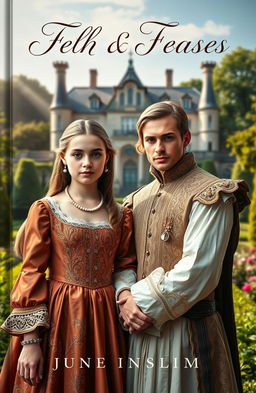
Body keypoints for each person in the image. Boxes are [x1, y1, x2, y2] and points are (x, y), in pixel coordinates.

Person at [114, 101, 250, 393]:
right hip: (140, 336)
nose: (158, 148)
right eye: (150, 140)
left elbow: (198, 271)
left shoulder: (212, 193)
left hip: (189, 336)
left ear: (185, 139)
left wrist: (137, 306)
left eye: (168, 137)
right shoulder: (136, 200)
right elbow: (125, 261)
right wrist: (124, 296)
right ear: (141, 144)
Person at [0, 119, 137, 393]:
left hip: (104, 322)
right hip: (59, 317)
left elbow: (125, 266)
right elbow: (31, 273)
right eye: (78, 154)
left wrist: (125, 296)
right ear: (63, 158)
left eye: (96, 154)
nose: (87, 162)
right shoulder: (46, 210)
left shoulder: (122, 215)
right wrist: (30, 342)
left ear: (108, 158)